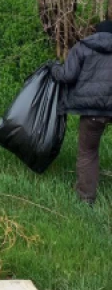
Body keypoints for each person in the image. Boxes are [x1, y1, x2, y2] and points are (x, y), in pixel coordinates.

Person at [51, 20, 112, 204]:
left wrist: (53, 69)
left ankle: (86, 198)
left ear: (95, 33)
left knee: (88, 151)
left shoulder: (83, 47)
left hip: (92, 111)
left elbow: (67, 76)